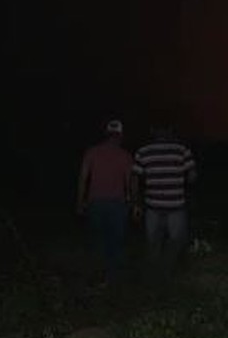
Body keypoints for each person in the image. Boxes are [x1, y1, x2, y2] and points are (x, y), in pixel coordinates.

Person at [132, 124, 197, 283]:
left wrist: (136, 201)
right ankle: (163, 272)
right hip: (175, 205)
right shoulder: (182, 150)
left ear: (153, 132)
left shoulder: (143, 151)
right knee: (176, 239)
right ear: (169, 131)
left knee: (153, 241)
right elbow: (192, 176)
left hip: (153, 205)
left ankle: (157, 274)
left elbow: (135, 178)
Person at [77, 119, 135, 289]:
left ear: (106, 134)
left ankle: (99, 277)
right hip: (117, 204)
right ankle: (112, 278)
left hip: (96, 203)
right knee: (115, 241)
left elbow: (83, 179)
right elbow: (130, 181)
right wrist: (133, 202)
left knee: (97, 240)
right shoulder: (125, 155)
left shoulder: (92, 152)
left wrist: (80, 202)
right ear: (121, 136)